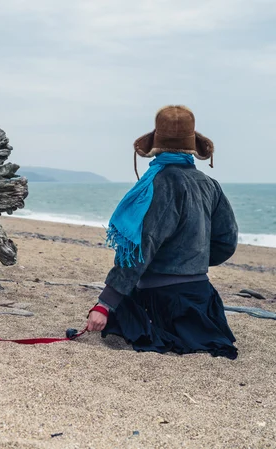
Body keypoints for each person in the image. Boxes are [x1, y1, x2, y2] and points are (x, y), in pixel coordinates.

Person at [86, 105, 239, 359]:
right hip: (201, 301)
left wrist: (104, 304)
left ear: (156, 145)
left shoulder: (157, 185)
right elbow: (227, 242)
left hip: (164, 302)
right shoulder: (211, 185)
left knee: (127, 321)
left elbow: (139, 251)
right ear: (192, 147)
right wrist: (194, 259)